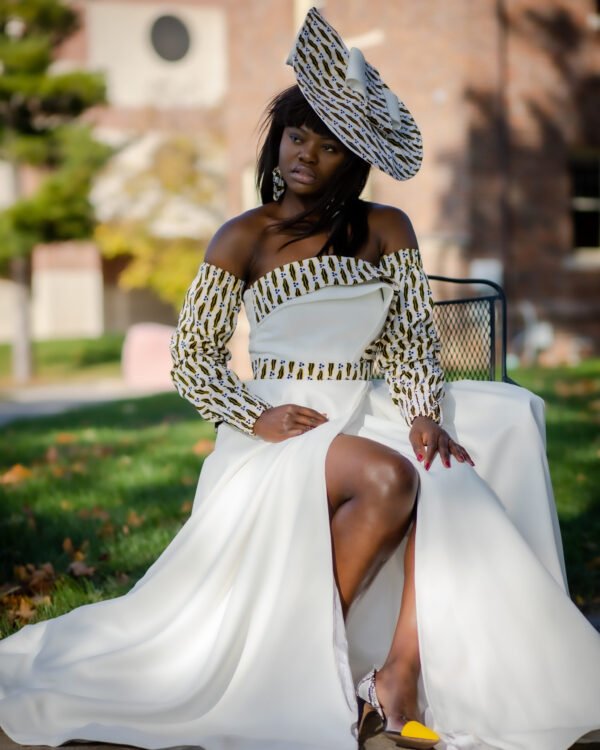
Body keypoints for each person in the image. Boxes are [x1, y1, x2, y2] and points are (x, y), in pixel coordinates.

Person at [0, 7, 599, 750]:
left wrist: (420, 413)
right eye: (295, 136)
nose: (307, 155)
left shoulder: (387, 231)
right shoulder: (243, 237)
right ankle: (302, 654)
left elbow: (413, 340)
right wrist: (255, 415)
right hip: (284, 424)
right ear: (275, 139)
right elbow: (193, 360)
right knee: (389, 483)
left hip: (369, 405)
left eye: (328, 144)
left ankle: (400, 674)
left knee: (480, 443)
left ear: (355, 158)